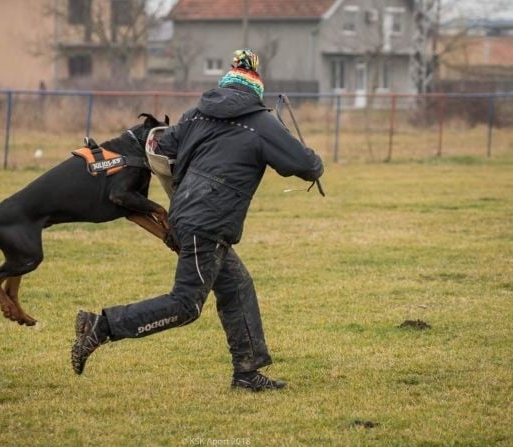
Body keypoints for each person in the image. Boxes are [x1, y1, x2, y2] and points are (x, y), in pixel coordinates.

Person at [71, 49, 324, 392]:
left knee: (236, 286)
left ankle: (247, 373)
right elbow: (304, 164)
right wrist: (316, 163)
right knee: (185, 304)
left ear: (226, 82)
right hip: (209, 221)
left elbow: (161, 147)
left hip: (186, 213)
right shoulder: (262, 123)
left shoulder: (194, 115)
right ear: (256, 87)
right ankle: (100, 326)